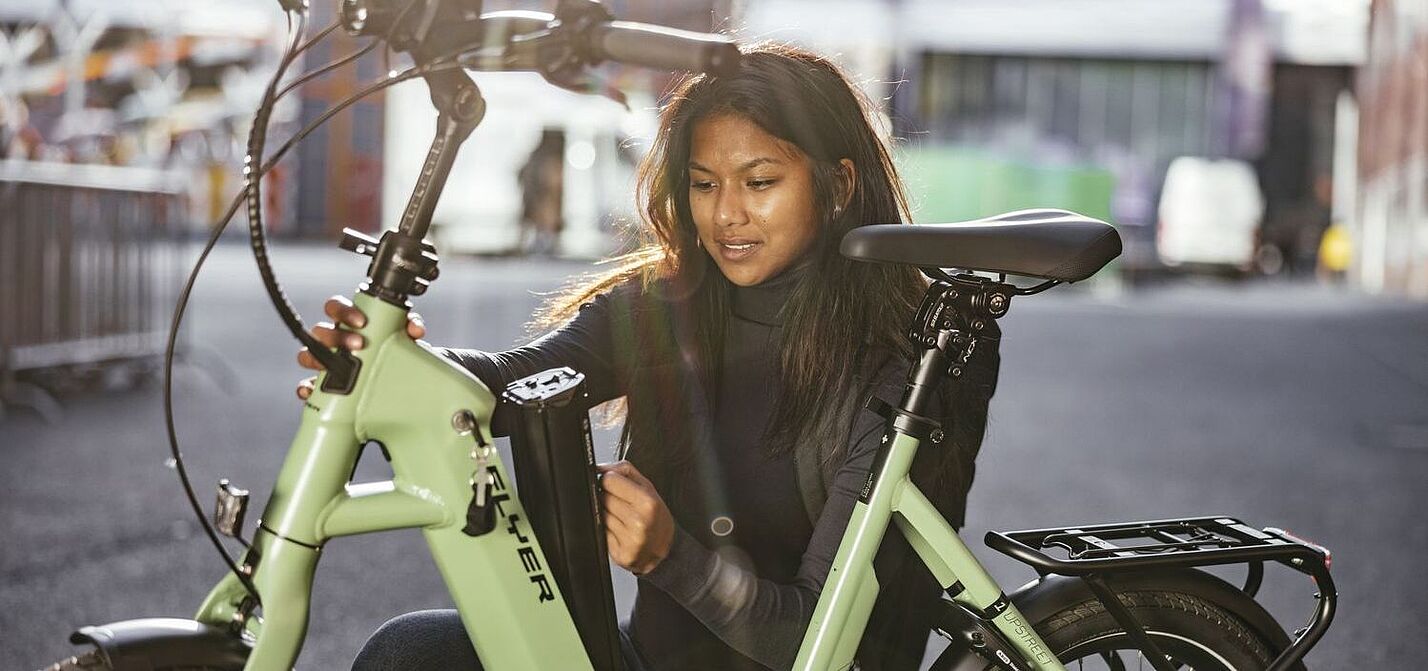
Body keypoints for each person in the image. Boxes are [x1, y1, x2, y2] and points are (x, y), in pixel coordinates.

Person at [296, 42, 1000, 671]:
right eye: (703, 183)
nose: (726, 215)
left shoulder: (903, 362)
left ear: (839, 184)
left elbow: (822, 638)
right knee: (411, 653)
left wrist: (672, 557)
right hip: (642, 657)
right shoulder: (670, 303)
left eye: (759, 183)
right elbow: (513, 381)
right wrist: (393, 366)